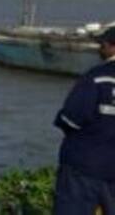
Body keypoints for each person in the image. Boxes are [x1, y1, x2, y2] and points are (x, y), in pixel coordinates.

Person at [53, 25, 115, 213]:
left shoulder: (96, 77)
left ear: (112, 46)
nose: (99, 48)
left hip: (85, 167)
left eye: (102, 44)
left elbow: (70, 119)